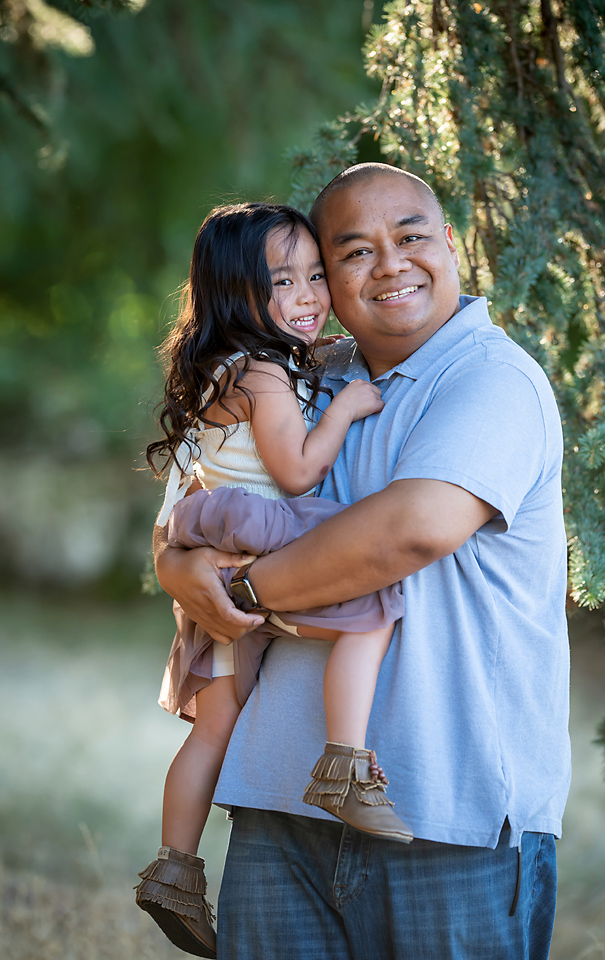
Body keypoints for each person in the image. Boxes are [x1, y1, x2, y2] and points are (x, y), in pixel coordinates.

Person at [155, 164, 571, 960]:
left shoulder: (491, 380)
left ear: (451, 245)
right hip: (277, 800)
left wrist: (236, 588)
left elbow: (407, 533)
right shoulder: (307, 376)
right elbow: (197, 495)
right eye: (352, 253)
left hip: (448, 814)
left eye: (411, 238)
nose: (389, 264)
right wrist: (178, 569)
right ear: (328, 283)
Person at [136, 201, 414, 960]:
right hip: (260, 537)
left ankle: (175, 868)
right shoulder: (262, 371)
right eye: (281, 281)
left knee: (216, 727)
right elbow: (293, 471)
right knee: (376, 603)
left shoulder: (235, 364)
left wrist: (320, 359)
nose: (307, 296)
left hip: (221, 548)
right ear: (235, 293)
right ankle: (345, 763)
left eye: (316, 276)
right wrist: (349, 405)